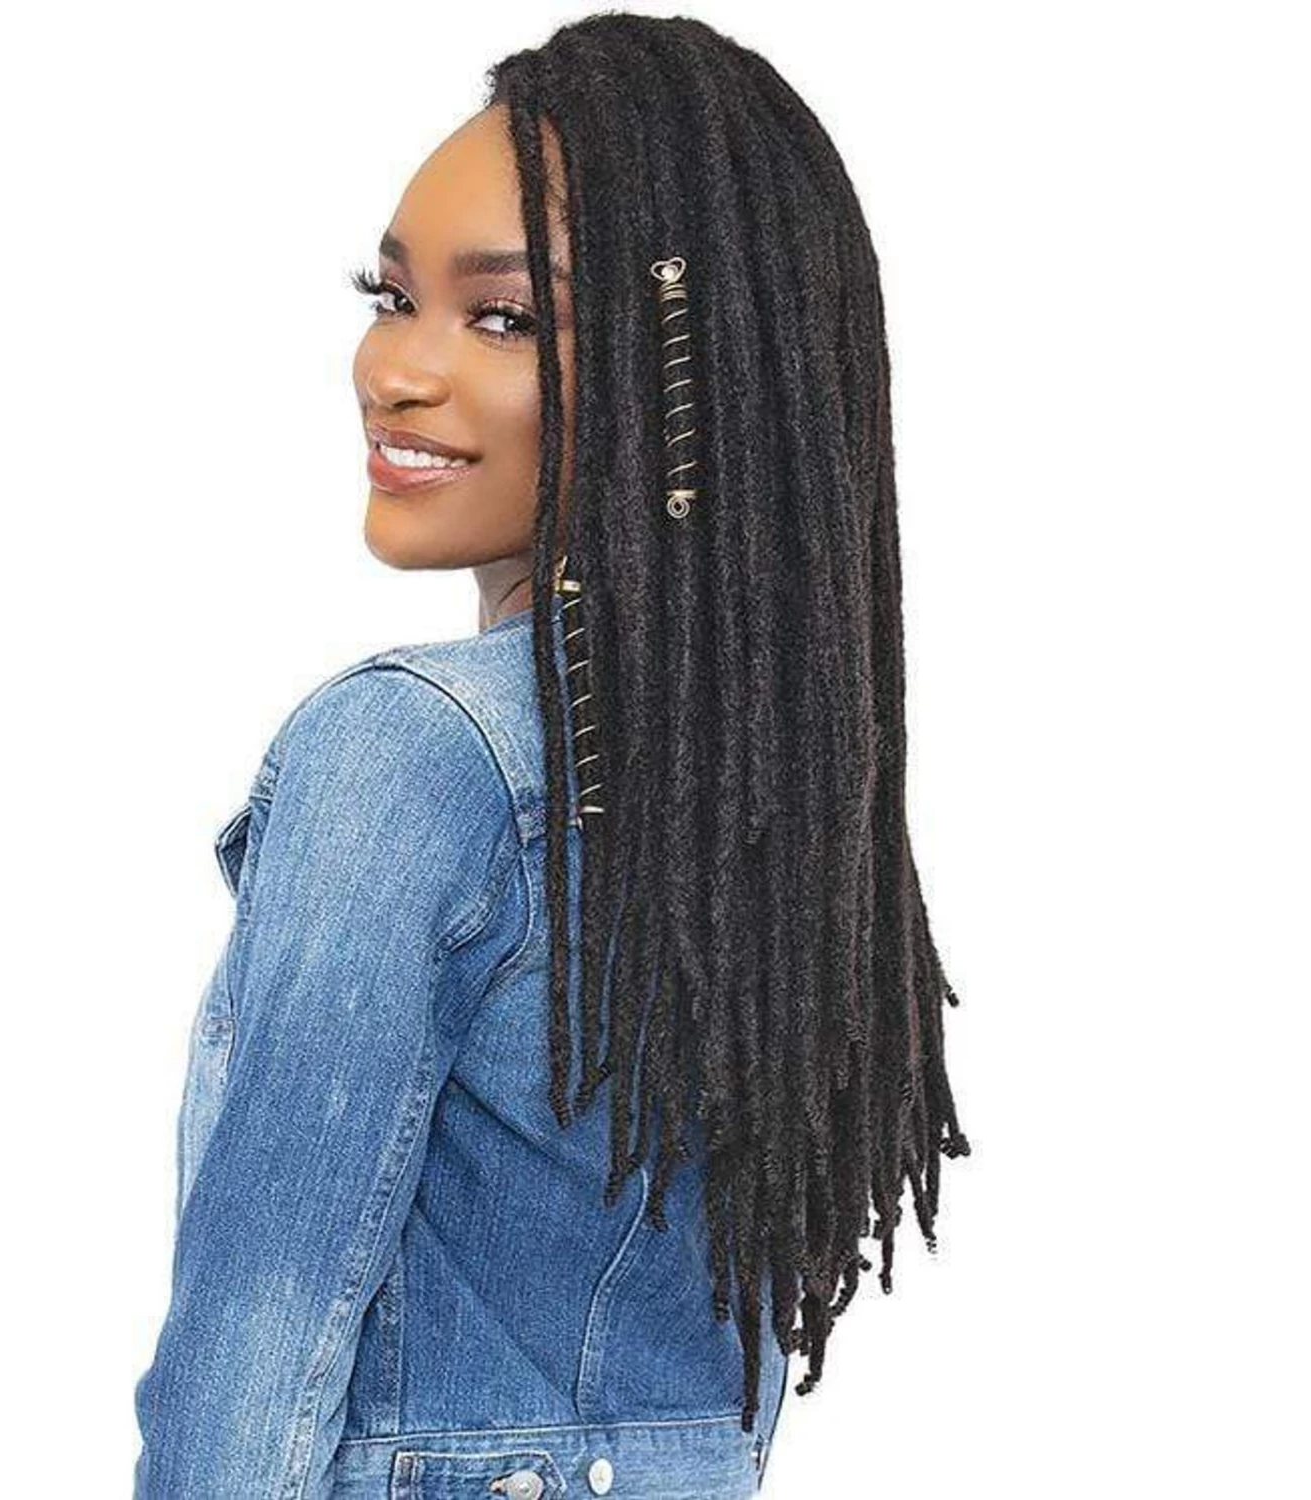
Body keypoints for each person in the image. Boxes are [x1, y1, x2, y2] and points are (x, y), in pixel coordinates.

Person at [132, 13, 971, 1497]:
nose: (397, 370)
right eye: (393, 297)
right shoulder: (769, 793)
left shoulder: (411, 753)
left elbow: (256, 1348)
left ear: (689, 382)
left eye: (505, 320)